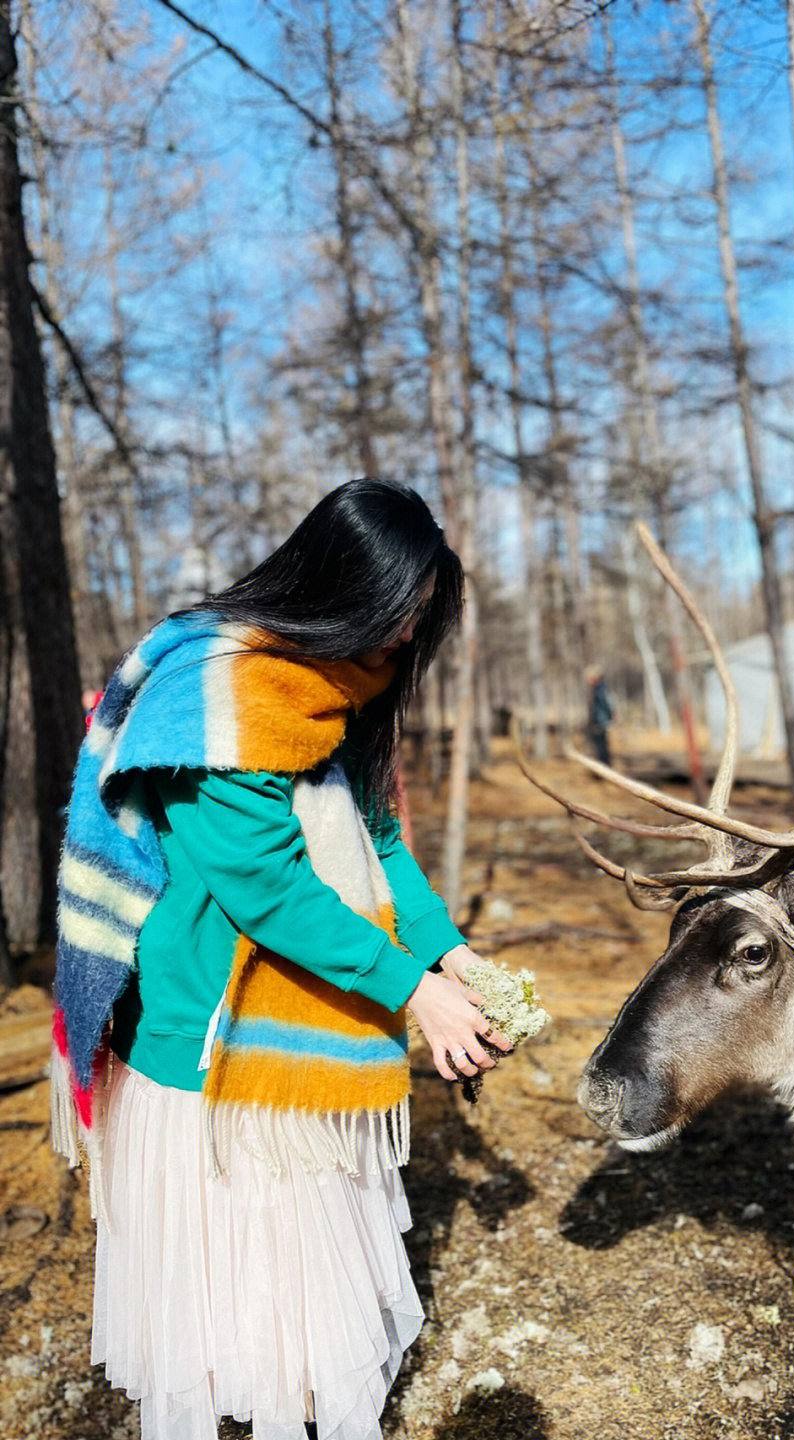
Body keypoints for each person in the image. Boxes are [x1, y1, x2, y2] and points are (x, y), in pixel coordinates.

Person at [51, 478, 510, 1440]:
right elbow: (265, 887)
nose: (402, 643)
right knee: (231, 1299)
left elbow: (378, 843)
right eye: (399, 616)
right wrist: (409, 991)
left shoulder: (333, 690)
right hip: (211, 1037)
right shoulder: (214, 697)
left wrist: (450, 955)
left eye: (419, 622)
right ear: (343, 590)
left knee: (299, 1300)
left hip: (300, 1020)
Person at [585, 667, 614, 767]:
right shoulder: (597, 689)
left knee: (601, 745)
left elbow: (608, 705)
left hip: (601, 721)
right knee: (599, 745)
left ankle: (605, 766)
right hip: (599, 721)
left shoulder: (601, 689)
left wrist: (609, 718)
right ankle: (603, 765)